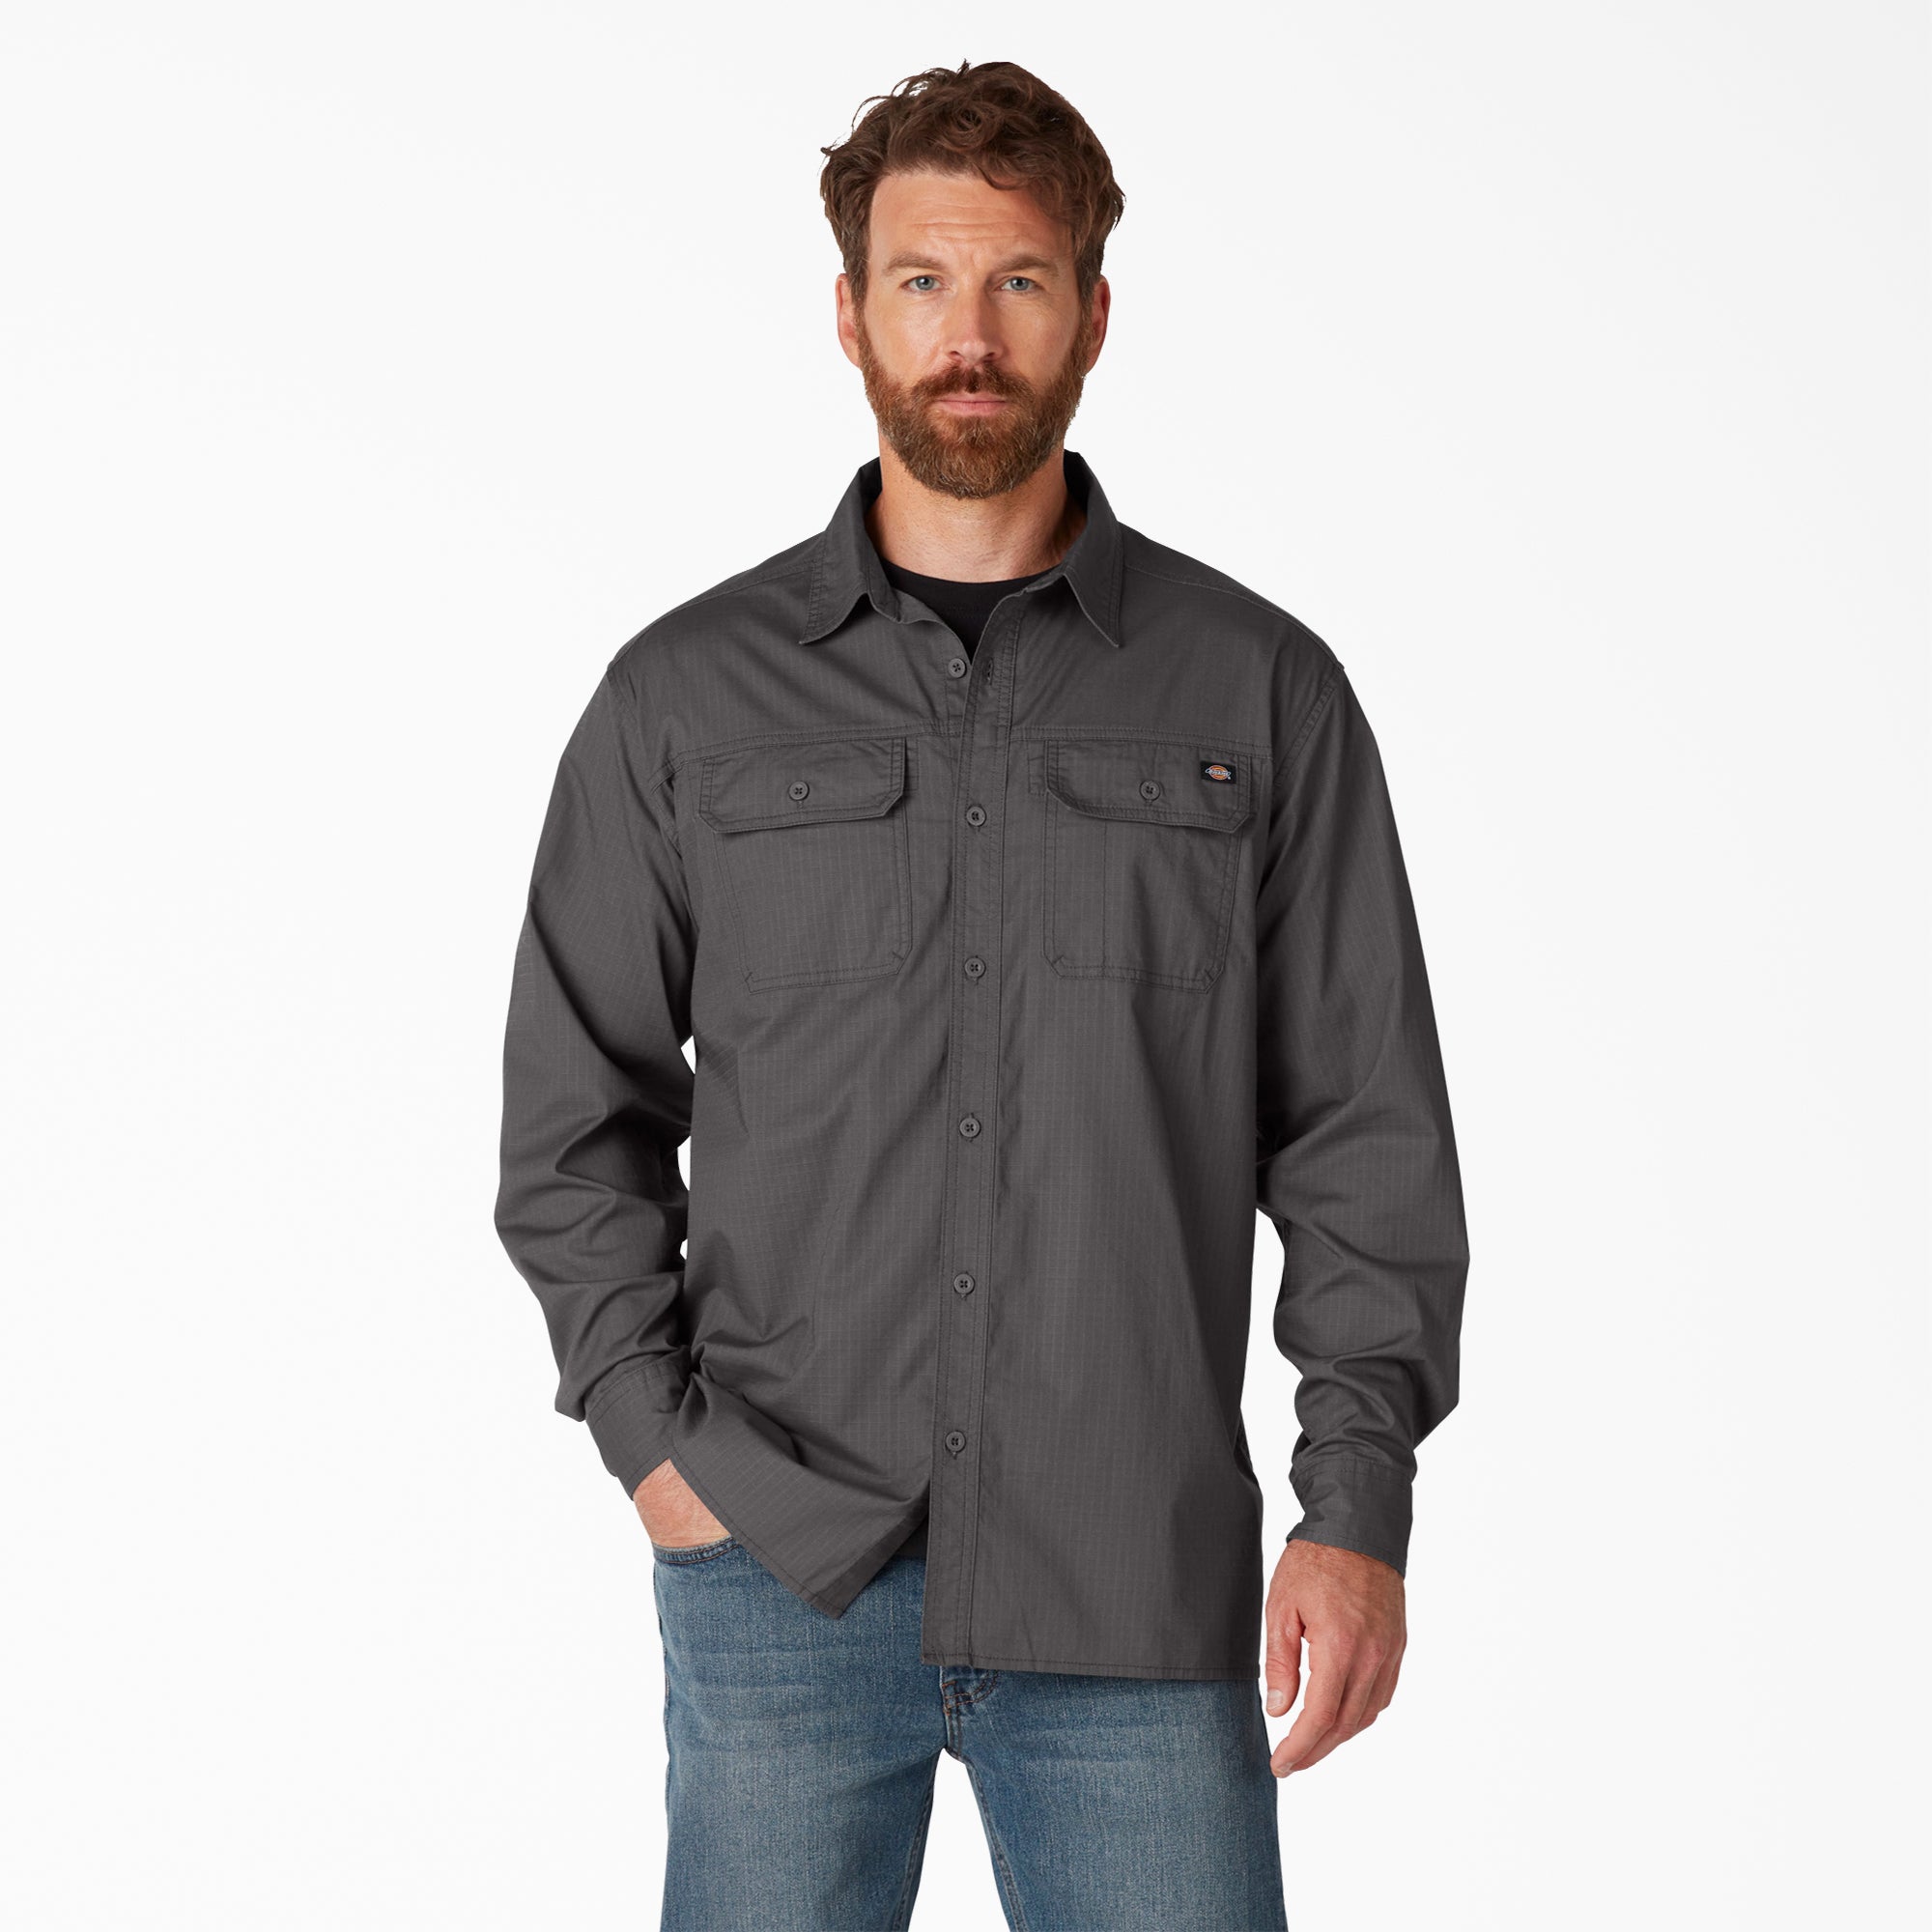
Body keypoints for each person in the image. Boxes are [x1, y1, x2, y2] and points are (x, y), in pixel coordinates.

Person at [495, 58, 1469, 1932]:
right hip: (779, 1561)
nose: (969, 334)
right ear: (849, 311)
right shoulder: (683, 700)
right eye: (923, 280)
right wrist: (654, 1446)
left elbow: (1365, 1133)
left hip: (1135, 1585)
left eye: (1019, 280)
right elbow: (572, 1119)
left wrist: (1353, 1507)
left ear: (1092, 311)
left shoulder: (1258, 694)